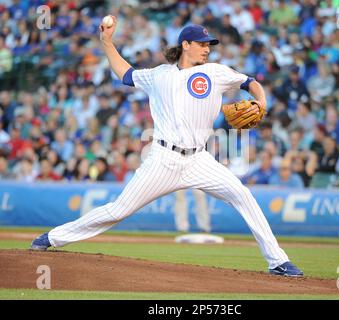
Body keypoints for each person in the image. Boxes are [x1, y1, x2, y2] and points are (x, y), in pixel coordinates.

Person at [31, 19, 303, 277]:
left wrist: (261, 102)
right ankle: (52, 237)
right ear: (186, 45)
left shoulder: (216, 72)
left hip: (199, 160)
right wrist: (107, 43)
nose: (207, 49)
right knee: (118, 211)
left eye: (209, 44)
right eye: (202, 43)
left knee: (242, 195)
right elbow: (125, 74)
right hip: (163, 159)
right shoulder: (158, 75)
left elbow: (250, 82)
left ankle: (278, 261)